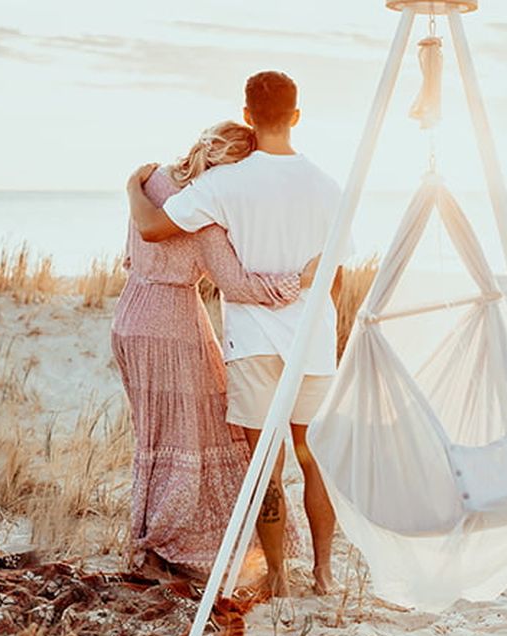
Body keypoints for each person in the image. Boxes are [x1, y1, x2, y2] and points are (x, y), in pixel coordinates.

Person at [127, 71, 346, 596]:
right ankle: (322, 572)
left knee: (265, 466)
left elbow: (153, 228)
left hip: (252, 347)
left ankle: (276, 576)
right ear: (296, 116)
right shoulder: (327, 184)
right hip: (311, 345)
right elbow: (335, 274)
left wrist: (133, 186)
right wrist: (315, 326)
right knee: (315, 458)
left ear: (247, 116)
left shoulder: (222, 183)